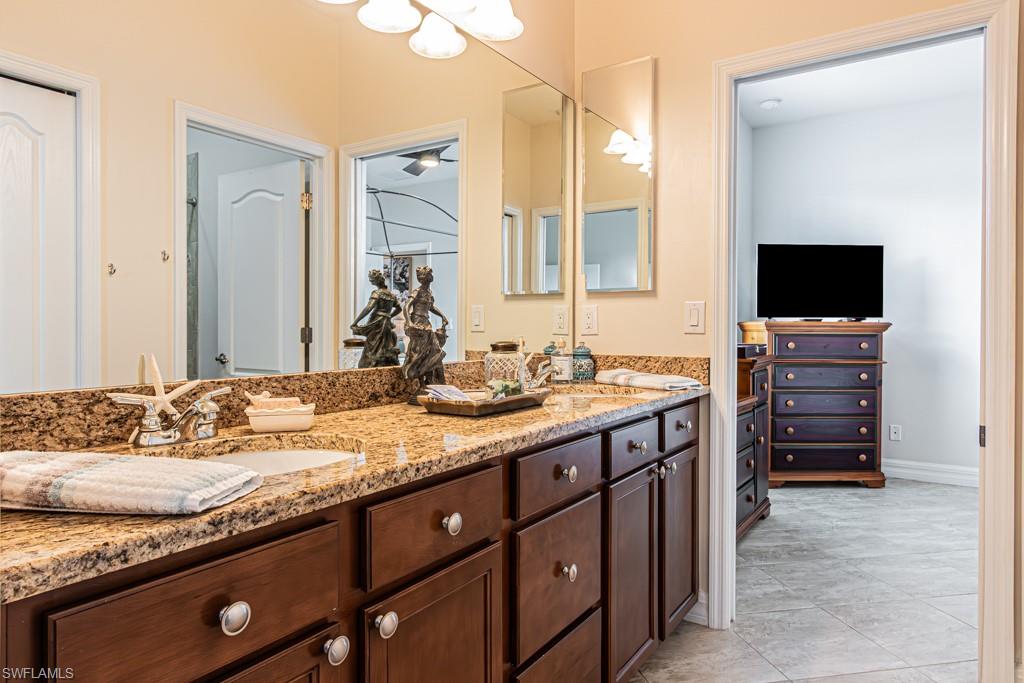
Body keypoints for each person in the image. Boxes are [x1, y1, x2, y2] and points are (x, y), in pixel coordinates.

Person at [402, 265, 448, 387]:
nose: (431, 276)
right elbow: (406, 307)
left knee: (434, 350)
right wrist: (409, 322)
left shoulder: (428, 292)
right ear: (426, 277)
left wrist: (442, 315)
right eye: (430, 274)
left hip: (426, 324)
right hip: (417, 323)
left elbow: (431, 307)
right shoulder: (417, 292)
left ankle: (430, 380)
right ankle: (418, 379)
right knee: (419, 352)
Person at [350, 269, 401, 367]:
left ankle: (371, 366)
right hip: (386, 323)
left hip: (377, 323)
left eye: (371, 280)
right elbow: (399, 309)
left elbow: (368, 308)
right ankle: (382, 365)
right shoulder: (391, 295)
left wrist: (355, 321)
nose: (370, 282)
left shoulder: (377, 293)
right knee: (383, 344)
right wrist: (389, 316)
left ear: (376, 281)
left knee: (372, 346)